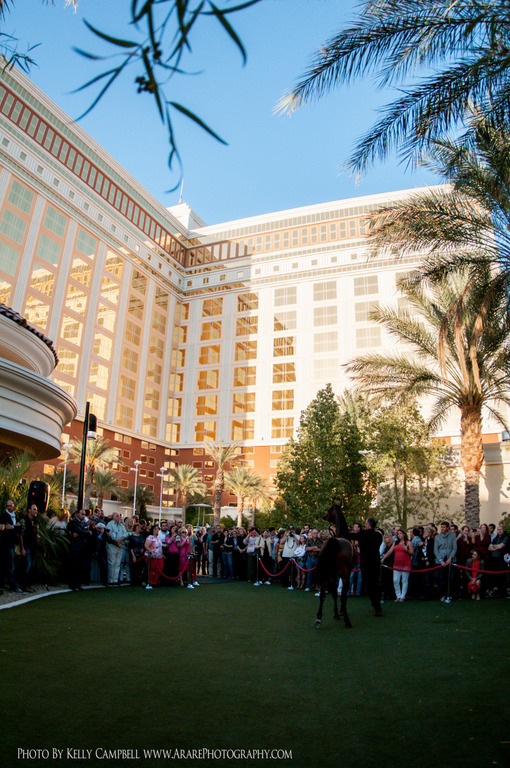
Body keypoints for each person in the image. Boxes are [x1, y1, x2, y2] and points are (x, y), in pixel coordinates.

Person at [348, 518, 383, 616]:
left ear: (368, 525)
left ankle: (375, 603)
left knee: (370, 584)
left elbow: (350, 536)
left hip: (366, 564)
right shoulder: (378, 535)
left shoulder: (363, 534)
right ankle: (377, 603)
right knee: (375, 583)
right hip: (375, 562)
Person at [382, 528, 414, 602]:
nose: (399, 535)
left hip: (405, 563)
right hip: (396, 564)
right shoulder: (395, 543)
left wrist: (407, 550)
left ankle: (403, 596)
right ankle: (398, 595)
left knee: (404, 580)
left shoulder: (408, 542)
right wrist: (383, 558)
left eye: (400, 533)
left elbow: (412, 553)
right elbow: (390, 551)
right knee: (395, 580)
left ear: (404, 534)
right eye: (398, 534)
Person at [67, 509, 92, 591]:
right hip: (75, 547)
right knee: (74, 565)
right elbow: (80, 531)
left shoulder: (82, 523)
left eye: (84, 514)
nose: (83, 516)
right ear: (77, 514)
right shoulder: (74, 522)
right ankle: (72, 584)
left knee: (80, 566)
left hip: (82, 547)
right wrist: (85, 533)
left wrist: (84, 533)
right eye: (82, 514)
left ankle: (78, 584)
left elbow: (85, 531)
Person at [434, 520, 457, 602]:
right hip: (440, 560)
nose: (442, 529)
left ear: (448, 528)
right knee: (441, 578)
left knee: (450, 578)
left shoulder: (452, 535)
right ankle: (442, 595)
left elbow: (454, 548)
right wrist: (440, 560)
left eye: (444, 527)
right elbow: (436, 550)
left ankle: (450, 594)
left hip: (450, 559)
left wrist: (451, 557)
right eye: (441, 527)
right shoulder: (437, 537)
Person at [19, 503, 40, 592]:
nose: (36, 511)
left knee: (32, 566)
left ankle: (29, 584)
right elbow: (21, 534)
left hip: (33, 545)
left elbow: (36, 531)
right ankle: (23, 585)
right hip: (27, 545)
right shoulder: (24, 520)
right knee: (27, 565)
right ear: (29, 510)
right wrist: (22, 548)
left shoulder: (35, 521)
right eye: (34, 509)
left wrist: (37, 536)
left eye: (36, 509)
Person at [105, 512, 127, 586]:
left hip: (120, 546)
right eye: (117, 516)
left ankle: (115, 579)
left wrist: (121, 540)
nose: (118, 517)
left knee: (117, 563)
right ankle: (110, 580)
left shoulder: (121, 525)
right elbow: (109, 535)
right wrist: (116, 542)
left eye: (119, 516)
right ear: (113, 517)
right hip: (112, 546)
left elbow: (125, 534)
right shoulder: (110, 524)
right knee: (112, 562)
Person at [144, 524, 164, 589]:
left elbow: (160, 546)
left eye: (158, 529)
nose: (157, 531)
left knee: (160, 568)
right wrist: (151, 552)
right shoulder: (150, 537)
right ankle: (151, 582)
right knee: (152, 569)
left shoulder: (158, 538)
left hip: (159, 556)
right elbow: (146, 546)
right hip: (152, 556)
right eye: (155, 529)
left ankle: (155, 581)